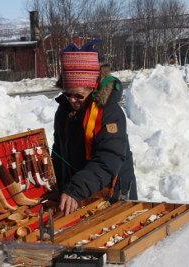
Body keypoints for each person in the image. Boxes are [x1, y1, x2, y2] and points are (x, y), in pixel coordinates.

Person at [52, 42, 137, 216]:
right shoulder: (64, 109)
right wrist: (57, 185)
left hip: (111, 192)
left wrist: (75, 189)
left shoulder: (109, 112)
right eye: (68, 94)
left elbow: (108, 159)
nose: (72, 100)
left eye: (78, 96)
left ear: (92, 88)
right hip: (79, 191)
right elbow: (59, 150)